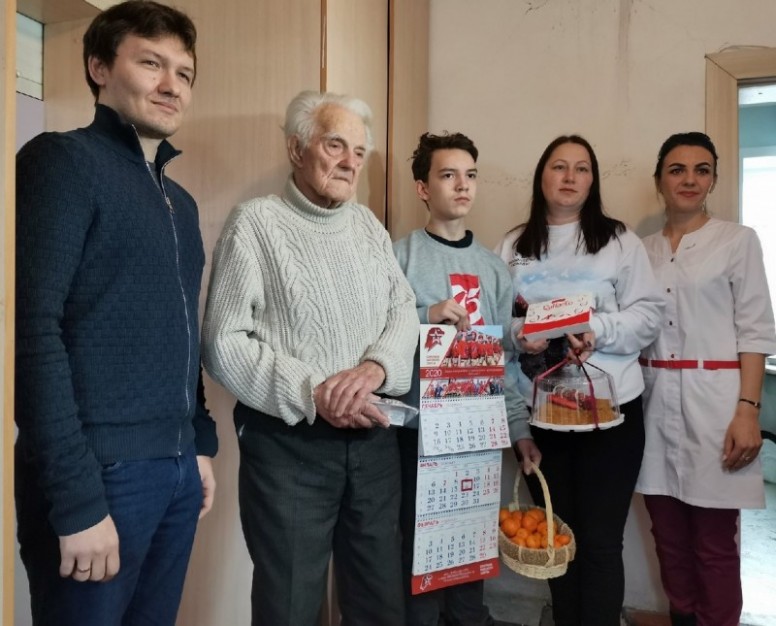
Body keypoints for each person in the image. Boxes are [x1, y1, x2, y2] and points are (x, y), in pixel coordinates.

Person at [15, 2, 218, 625]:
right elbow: (31, 331)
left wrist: (198, 442)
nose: (171, 85)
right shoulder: (61, 161)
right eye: (151, 63)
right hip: (100, 473)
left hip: (177, 470)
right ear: (99, 68)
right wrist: (76, 498)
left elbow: (182, 331)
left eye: (184, 73)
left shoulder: (181, 201)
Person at [201, 90, 418, 626]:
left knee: (380, 601)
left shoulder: (367, 225)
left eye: (359, 152)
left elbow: (404, 310)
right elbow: (223, 342)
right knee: (289, 604)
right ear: (297, 149)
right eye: (335, 145)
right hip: (289, 448)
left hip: (373, 440)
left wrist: (376, 368)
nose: (350, 163)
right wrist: (314, 392)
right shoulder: (255, 223)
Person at [494, 135, 664, 626]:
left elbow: (649, 316)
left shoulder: (619, 241)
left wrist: (598, 330)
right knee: (554, 538)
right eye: (559, 166)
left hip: (610, 417)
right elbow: (491, 327)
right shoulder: (512, 245)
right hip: (540, 418)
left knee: (602, 543)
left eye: (582, 168)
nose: (570, 177)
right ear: (541, 176)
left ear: (593, 180)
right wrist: (520, 334)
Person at [393, 131, 540, 626]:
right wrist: (426, 315)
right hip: (416, 436)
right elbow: (377, 336)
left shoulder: (493, 270)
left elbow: (503, 362)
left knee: (470, 557)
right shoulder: (400, 257)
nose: (462, 185)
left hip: (477, 435)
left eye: (470, 175)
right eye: (448, 175)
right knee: (418, 557)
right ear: (423, 188)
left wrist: (518, 430)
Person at [635, 132, 776, 626]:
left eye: (702, 170)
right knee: (668, 537)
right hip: (652, 405)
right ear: (659, 180)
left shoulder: (738, 241)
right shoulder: (639, 250)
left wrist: (748, 411)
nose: (689, 179)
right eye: (677, 169)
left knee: (714, 542)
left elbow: (755, 330)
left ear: (713, 179)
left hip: (717, 405)